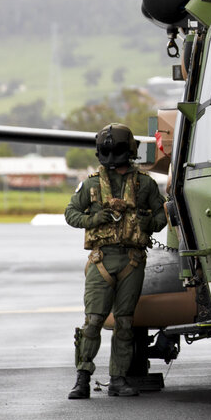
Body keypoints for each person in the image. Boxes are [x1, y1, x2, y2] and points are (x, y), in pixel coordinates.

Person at [65, 123, 167, 399]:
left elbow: (162, 216)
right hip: (102, 260)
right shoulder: (91, 184)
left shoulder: (145, 184)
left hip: (131, 261)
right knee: (93, 321)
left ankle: (118, 378)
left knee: (124, 323)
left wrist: (146, 222)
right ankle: (83, 377)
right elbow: (71, 213)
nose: (112, 156)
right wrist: (93, 219)